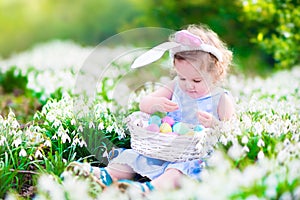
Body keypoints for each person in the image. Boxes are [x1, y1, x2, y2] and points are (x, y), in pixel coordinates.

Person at [64, 24, 235, 194]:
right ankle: (106, 175)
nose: (188, 85)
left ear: (216, 73)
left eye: (196, 80)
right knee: (133, 156)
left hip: (193, 156)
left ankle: (148, 190)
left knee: (177, 171)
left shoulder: (221, 99)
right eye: (182, 78)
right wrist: (155, 104)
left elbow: (230, 132)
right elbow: (144, 104)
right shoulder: (175, 86)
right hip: (163, 148)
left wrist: (214, 124)